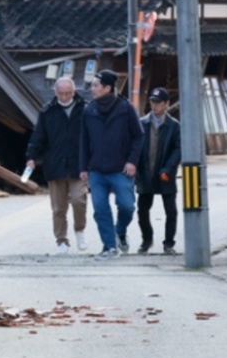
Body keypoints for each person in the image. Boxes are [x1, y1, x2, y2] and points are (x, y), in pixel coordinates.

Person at [80, 69, 144, 259]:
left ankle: (120, 231)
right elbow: (84, 140)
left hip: (121, 169)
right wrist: (83, 167)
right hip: (97, 170)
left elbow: (139, 136)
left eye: (96, 85)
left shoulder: (125, 108)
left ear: (107, 88)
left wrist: (132, 161)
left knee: (127, 206)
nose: (92, 89)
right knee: (100, 209)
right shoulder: (89, 110)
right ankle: (109, 246)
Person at [25, 76, 88, 254]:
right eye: (61, 93)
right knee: (58, 207)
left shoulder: (85, 109)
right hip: (55, 164)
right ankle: (61, 240)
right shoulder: (47, 111)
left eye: (68, 93)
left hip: (78, 164)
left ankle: (79, 230)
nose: (64, 97)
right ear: (56, 92)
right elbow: (38, 136)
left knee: (79, 200)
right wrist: (31, 156)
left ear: (74, 92)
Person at [136, 87, 181, 255]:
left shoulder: (174, 126)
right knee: (142, 211)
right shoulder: (142, 123)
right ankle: (147, 240)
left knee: (171, 211)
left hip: (165, 174)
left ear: (167, 104)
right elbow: (135, 148)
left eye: (158, 102)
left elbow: (178, 150)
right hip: (145, 173)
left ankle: (169, 243)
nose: (154, 106)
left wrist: (168, 169)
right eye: (152, 102)